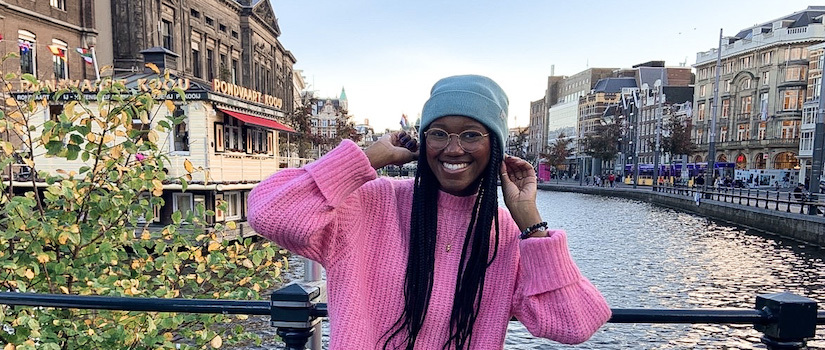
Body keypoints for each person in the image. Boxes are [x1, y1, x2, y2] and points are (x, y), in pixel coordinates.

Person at [247, 75, 611, 349]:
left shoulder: (506, 235)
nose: (453, 149)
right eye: (438, 133)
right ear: (422, 142)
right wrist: (367, 159)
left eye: (471, 135)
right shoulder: (371, 203)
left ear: (495, 147)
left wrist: (530, 221)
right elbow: (269, 212)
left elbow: (575, 323)